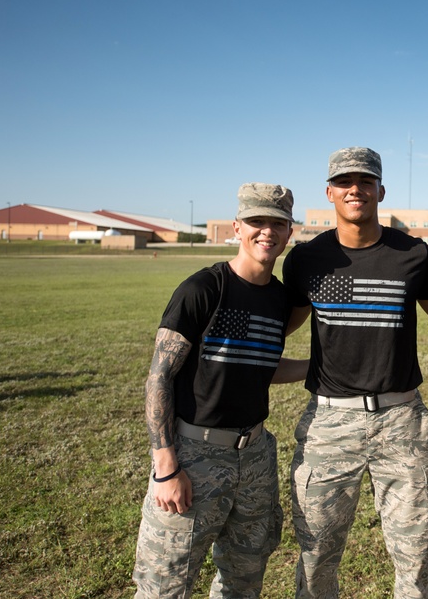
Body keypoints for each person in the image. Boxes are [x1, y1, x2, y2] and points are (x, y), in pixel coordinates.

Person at [282, 147, 428, 599]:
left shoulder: (414, 255)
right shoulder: (305, 260)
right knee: (317, 553)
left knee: (415, 554)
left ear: (381, 190)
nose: (355, 189)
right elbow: (281, 325)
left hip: (401, 421)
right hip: (329, 423)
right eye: (345, 182)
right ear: (330, 192)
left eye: (366, 181)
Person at [133, 183, 307, 598]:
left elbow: (256, 367)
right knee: (165, 583)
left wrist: (320, 367)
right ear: (236, 227)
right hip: (194, 456)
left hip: (255, 455)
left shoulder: (281, 300)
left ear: (289, 232)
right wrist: (166, 466)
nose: (266, 232)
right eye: (256, 222)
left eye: (276, 224)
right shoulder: (203, 289)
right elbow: (159, 377)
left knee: (244, 579)